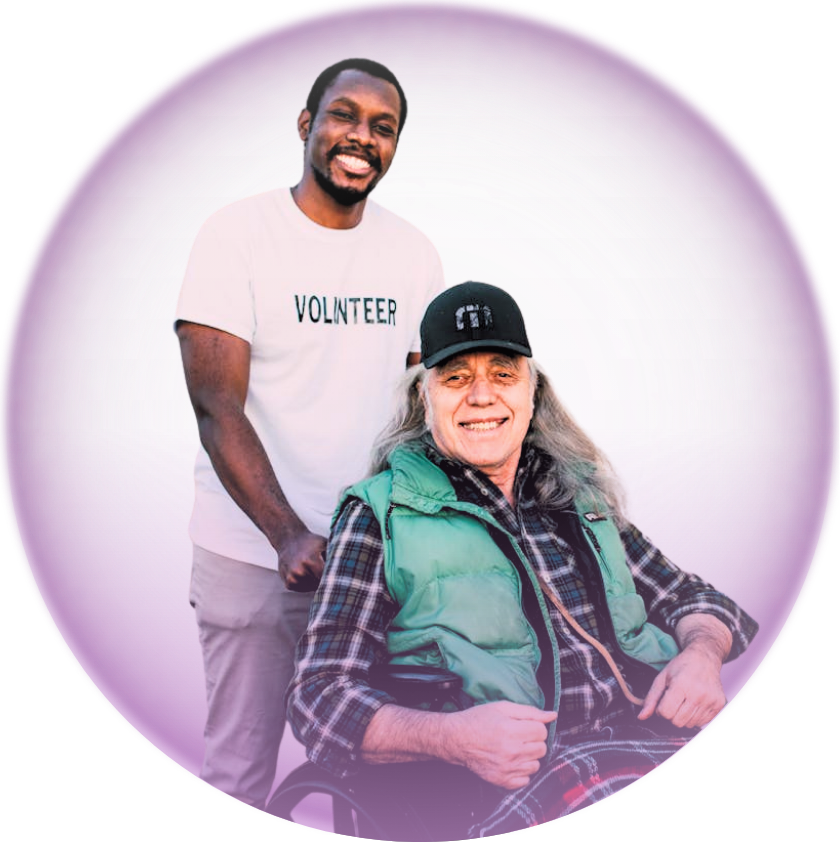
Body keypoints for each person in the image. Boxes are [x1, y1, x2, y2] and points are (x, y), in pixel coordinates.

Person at [286, 280, 759, 837]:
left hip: (647, 741)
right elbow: (319, 695)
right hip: (512, 786)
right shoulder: (379, 515)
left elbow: (693, 599)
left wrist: (703, 654)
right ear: (424, 398)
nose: (482, 396)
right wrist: (453, 739)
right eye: (456, 378)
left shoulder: (579, 497)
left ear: (532, 393)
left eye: (503, 374)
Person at [174, 58, 446, 811]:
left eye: (383, 127)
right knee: (239, 773)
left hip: (376, 563)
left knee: (381, 775)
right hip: (254, 553)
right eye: (345, 115)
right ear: (307, 125)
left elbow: (425, 409)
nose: (362, 137)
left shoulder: (414, 253)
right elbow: (215, 406)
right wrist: (288, 534)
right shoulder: (236, 235)